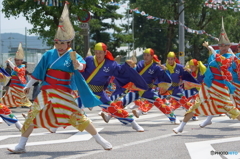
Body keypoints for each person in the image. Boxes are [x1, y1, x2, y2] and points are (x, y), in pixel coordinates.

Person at [7, 3, 112, 153]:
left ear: (68, 42)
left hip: (64, 91)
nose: (60, 46)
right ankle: (21, 145)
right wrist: (28, 85)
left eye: (63, 43)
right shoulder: (49, 54)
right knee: (32, 114)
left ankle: (99, 139)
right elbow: (39, 70)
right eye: (57, 43)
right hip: (47, 90)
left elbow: (82, 67)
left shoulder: (73, 55)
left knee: (77, 116)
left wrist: (77, 64)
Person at [173, 18, 240, 134]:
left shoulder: (231, 57)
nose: (222, 47)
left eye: (225, 45)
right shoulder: (215, 55)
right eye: (220, 45)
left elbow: (222, 63)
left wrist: (211, 50)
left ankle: (207, 120)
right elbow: (209, 66)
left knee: (231, 108)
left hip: (221, 86)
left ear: (229, 45)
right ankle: (181, 127)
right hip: (208, 85)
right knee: (196, 105)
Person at [81, 42, 148, 131]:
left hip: (99, 93)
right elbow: (81, 68)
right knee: (69, 106)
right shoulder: (89, 60)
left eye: (100, 52)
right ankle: (55, 126)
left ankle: (133, 123)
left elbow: (120, 71)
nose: (98, 55)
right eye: (96, 52)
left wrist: (126, 65)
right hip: (85, 91)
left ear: (105, 53)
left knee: (114, 109)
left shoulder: (110, 64)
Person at [1, 43, 32, 108]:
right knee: (6, 98)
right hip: (13, 86)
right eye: (16, 60)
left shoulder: (22, 67)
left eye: (18, 60)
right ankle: (4, 108)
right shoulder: (16, 67)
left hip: (19, 87)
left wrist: (10, 62)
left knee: (24, 100)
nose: (17, 61)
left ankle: (33, 110)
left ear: (22, 61)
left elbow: (17, 70)